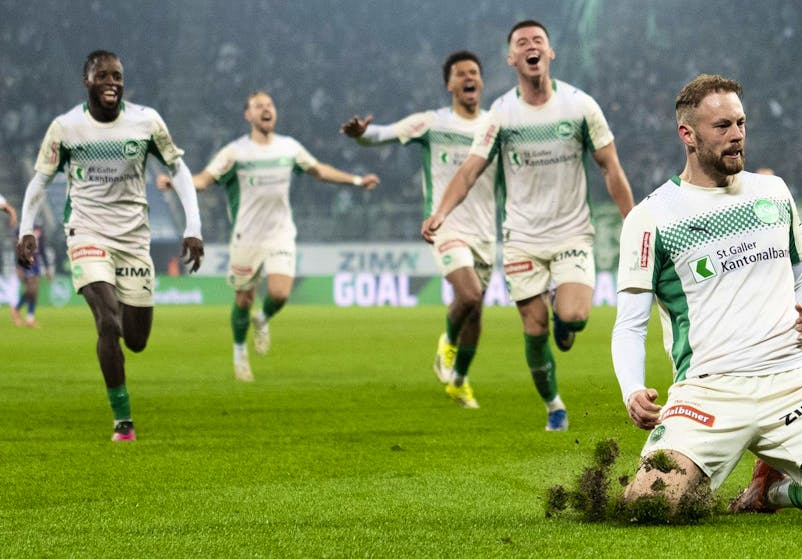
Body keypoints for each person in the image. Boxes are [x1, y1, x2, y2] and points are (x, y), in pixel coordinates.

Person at [611, 74, 802, 522]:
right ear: (688, 135)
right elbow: (629, 324)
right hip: (708, 390)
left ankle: (773, 491)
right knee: (646, 508)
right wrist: (632, 390)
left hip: (793, 382)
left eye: (741, 123)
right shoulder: (651, 217)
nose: (737, 135)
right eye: (722, 126)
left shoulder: (773, 192)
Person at [422, 20, 635, 431]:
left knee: (573, 316)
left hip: (572, 233)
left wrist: (633, 220)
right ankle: (554, 406)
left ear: (550, 53)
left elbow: (610, 167)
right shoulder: (502, 113)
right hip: (521, 239)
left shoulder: (580, 106)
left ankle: (564, 321)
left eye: (538, 40)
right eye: (522, 43)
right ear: (512, 59)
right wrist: (441, 212)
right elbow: (469, 170)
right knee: (534, 327)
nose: (530, 46)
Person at [16, 50, 204, 442]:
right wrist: (26, 230)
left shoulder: (146, 122)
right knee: (107, 321)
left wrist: (193, 226)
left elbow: (179, 169)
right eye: (102, 76)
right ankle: (123, 421)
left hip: (134, 239)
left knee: (136, 340)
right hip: (86, 232)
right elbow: (41, 180)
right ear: (86, 81)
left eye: (117, 76)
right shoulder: (66, 127)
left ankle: (120, 341)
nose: (112, 83)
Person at [160, 90, 379, 382]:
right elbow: (204, 179)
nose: (266, 109)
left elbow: (319, 170)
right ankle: (239, 352)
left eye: (270, 105)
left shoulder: (289, 148)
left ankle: (262, 319)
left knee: (280, 293)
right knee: (243, 298)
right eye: (258, 106)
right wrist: (177, 183)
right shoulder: (235, 152)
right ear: (247, 115)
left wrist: (357, 180)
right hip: (246, 237)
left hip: (280, 234)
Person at [340, 51, 497, 409]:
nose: (468, 78)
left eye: (473, 72)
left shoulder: (494, 126)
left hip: (485, 231)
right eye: (460, 74)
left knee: (475, 313)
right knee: (469, 295)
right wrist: (362, 135)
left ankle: (459, 382)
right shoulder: (431, 123)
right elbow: (385, 134)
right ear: (449, 84)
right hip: (445, 225)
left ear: (481, 81)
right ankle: (448, 343)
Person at [11, 224, 52, 327]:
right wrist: (18, 266)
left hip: (36, 265)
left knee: (34, 292)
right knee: (30, 290)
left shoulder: (38, 229)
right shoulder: (22, 228)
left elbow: (42, 250)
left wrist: (47, 267)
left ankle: (29, 318)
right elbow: (17, 248)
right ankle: (17, 309)